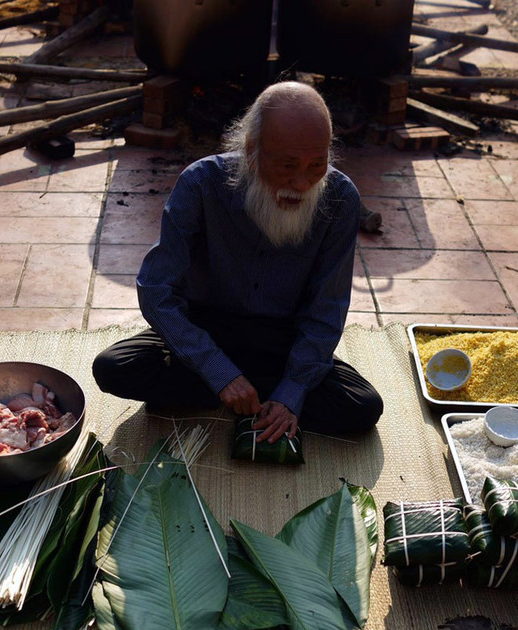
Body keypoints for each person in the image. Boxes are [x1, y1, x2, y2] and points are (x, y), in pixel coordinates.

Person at [93, 80, 383, 443]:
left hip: (282, 343)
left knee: (362, 407)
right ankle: (235, 389)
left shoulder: (340, 199)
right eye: (288, 165)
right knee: (113, 368)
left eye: (317, 165)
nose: (302, 182)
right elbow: (156, 289)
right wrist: (219, 371)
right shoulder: (200, 184)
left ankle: (252, 397)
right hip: (208, 330)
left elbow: (327, 310)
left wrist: (292, 390)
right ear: (251, 151)